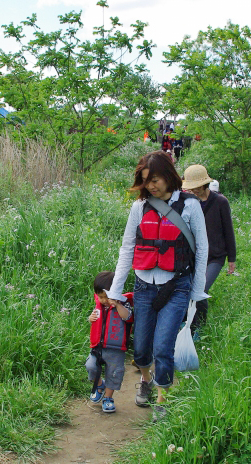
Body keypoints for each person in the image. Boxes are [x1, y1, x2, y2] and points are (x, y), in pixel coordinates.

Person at [106, 151, 209, 421]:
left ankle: (163, 396)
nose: (151, 185)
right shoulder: (139, 208)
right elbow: (128, 248)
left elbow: (202, 250)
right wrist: (116, 291)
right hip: (143, 287)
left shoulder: (190, 205)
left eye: (155, 179)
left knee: (163, 346)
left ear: (169, 176)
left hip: (176, 287)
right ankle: (146, 379)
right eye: (145, 181)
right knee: (140, 348)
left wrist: (197, 293)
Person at [182, 165, 236, 333]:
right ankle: (186, 323)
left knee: (201, 288)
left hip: (215, 256)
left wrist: (232, 259)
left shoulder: (220, 202)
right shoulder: (188, 202)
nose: (193, 190)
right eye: (190, 187)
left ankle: (200, 326)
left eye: (196, 187)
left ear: (204, 184)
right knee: (186, 288)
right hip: (194, 255)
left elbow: (229, 230)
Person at [86, 271, 134, 414]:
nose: (104, 301)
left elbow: (128, 318)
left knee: (114, 373)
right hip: (98, 347)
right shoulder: (99, 306)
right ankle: (100, 385)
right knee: (90, 365)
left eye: (106, 297)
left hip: (116, 348)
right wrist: (90, 319)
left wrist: (117, 304)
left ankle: (108, 398)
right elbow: (96, 320)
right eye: (100, 297)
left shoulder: (123, 304)